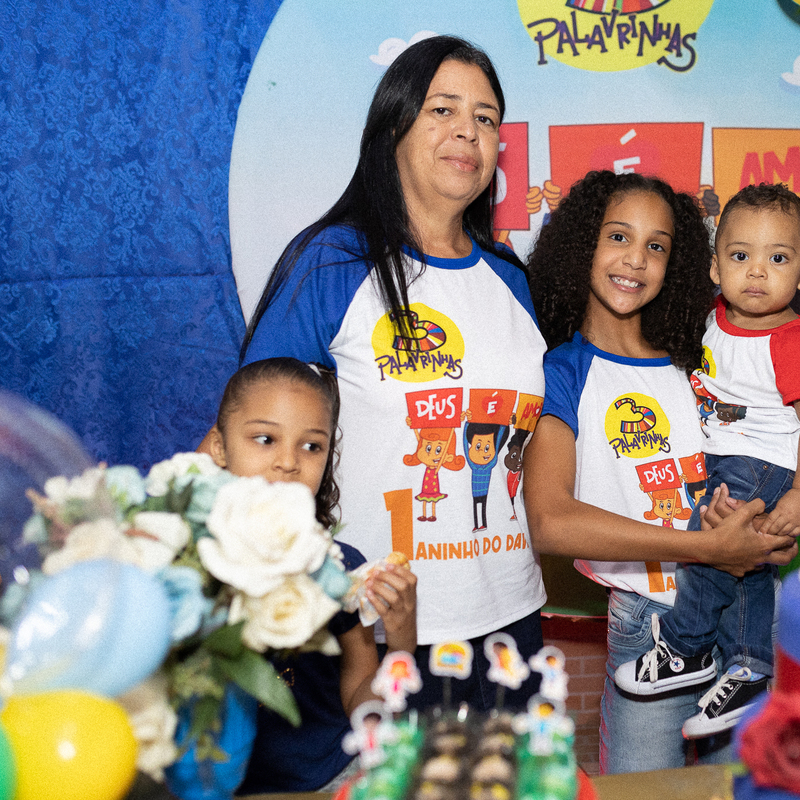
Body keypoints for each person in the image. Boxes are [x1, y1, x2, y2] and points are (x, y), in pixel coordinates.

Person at [239, 35, 546, 710]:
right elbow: (253, 446)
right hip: (370, 631)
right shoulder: (333, 262)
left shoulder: (512, 279)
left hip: (509, 621)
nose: (467, 130)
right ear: (394, 126)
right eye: (442, 109)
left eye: (486, 117)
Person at [523, 170, 800, 774]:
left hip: (747, 613)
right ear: (583, 244)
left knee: (746, 784)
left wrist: (766, 532)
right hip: (652, 626)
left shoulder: (703, 357)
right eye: (618, 236)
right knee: (643, 787)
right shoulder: (560, 371)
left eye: (657, 245)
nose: (636, 259)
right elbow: (550, 521)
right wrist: (708, 549)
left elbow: (774, 452)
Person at [613, 183, 800, 737]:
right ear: (716, 267)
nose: (757, 272)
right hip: (719, 457)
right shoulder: (711, 319)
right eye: (740, 256)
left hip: (763, 462)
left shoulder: (795, 341)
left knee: (713, 545)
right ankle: (749, 667)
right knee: (748, 565)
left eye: (778, 259)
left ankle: (687, 646)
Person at [203, 357, 417, 793]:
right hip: (213, 785)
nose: (288, 462)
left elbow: (359, 695)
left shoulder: (339, 565)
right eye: (265, 439)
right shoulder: (189, 558)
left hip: (328, 781)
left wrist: (401, 644)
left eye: (311, 446)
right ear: (219, 447)